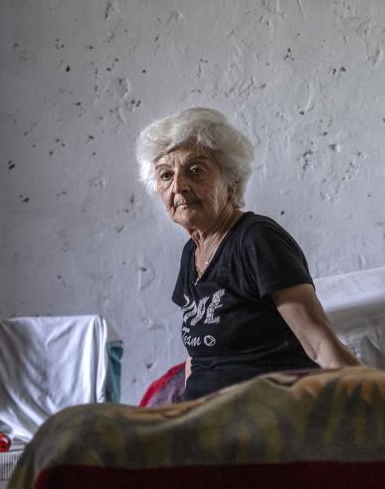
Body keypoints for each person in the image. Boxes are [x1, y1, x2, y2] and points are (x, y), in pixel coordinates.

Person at [136, 107, 360, 400]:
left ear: (231, 181)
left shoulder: (257, 239)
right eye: (166, 175)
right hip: (206, 418)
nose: (179, 186)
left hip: (263, 414)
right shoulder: (191, 253)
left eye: (195, 170)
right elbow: (198, 358)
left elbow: (319, 344)